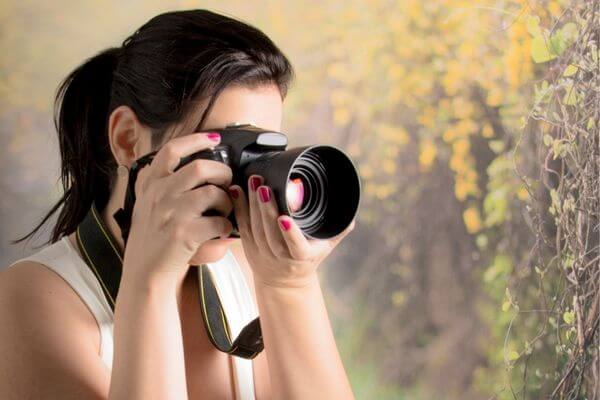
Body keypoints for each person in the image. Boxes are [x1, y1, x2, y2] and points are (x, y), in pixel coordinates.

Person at [0, 9, 356, 400]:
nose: (240, 182)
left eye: (259, 153)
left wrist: (290, 286)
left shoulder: (247, 269)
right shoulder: (33, 297)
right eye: (223, 151)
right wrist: (150, 279)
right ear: (127, 140)